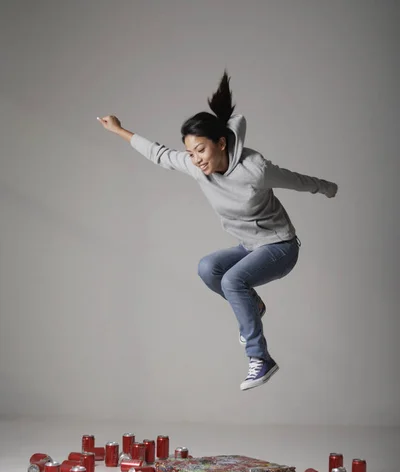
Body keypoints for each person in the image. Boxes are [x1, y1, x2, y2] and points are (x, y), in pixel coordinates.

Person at [98, 71, 338, 391]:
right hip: (251, 247)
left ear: (221, 143)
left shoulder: (255, 169)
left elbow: (296, 180)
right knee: (207, 268)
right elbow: (158, 154)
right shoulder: (196, 168)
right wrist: (117, 130)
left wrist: (326, 188)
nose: (196, 160)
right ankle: (255, 306)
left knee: (231, 279)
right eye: (191, 152)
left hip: (280, 246)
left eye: (201, 150)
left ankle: (260, 358)